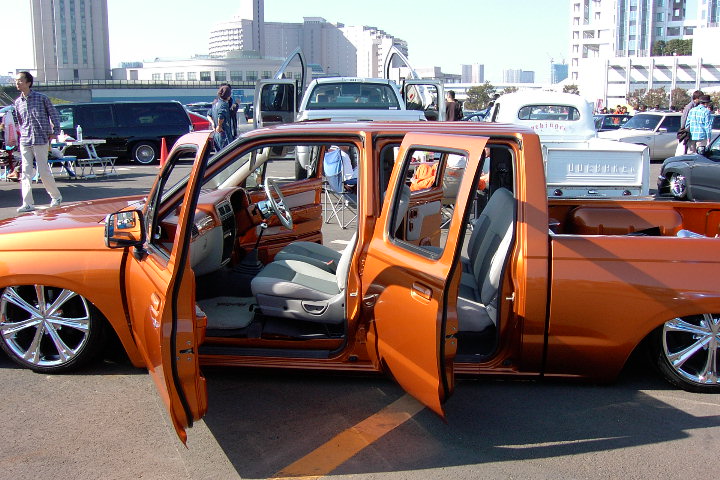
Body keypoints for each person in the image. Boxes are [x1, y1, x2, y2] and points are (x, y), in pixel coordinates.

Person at [13, 71, 63, 213]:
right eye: (16, 81)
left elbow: (53, 114)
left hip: (41, 138)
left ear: (28, 82)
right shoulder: (18, 102)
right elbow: (20, 121)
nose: (17, 83)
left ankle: (56, 197)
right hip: (25, 139)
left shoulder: (41, 98)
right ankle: (27, 203)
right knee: (25, 172)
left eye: (20, 80)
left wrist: (55, 131)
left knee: (43, 170)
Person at [676, 90, 703, 155]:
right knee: (689, 150)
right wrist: (684, 129)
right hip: (689, 131)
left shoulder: (697, 106)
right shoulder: (690, 106)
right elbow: (684, 118)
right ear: (696, 98)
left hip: (694, 131)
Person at [211, 85, 233, 150]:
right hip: (223, 134)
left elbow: (209, 114)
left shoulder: (216, 104)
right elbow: (221, 115)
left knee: (219, 153)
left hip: (216, 135)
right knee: (227, 152)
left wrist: (213, 123)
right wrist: (219, 126)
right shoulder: (224, 104)